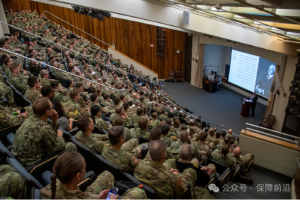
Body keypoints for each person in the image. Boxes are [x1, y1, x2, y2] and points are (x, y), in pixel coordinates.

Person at [40, 152, 148, 200]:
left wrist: (97, 197)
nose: (85, 170)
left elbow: (81, 196)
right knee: (138, 192)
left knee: (107, 174)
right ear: (78, 176)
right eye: (84, 169)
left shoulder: (55, 184)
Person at [11, 97, 77, 166]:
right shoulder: (44, 129)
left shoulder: (29, 119)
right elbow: (57, 148)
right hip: (34, 165)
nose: (53, 109)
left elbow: (48, 135)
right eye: (52, 107)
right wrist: (60, 137)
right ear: (47, 112)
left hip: (19, 161)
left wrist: (54, 121)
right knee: (71, 146)